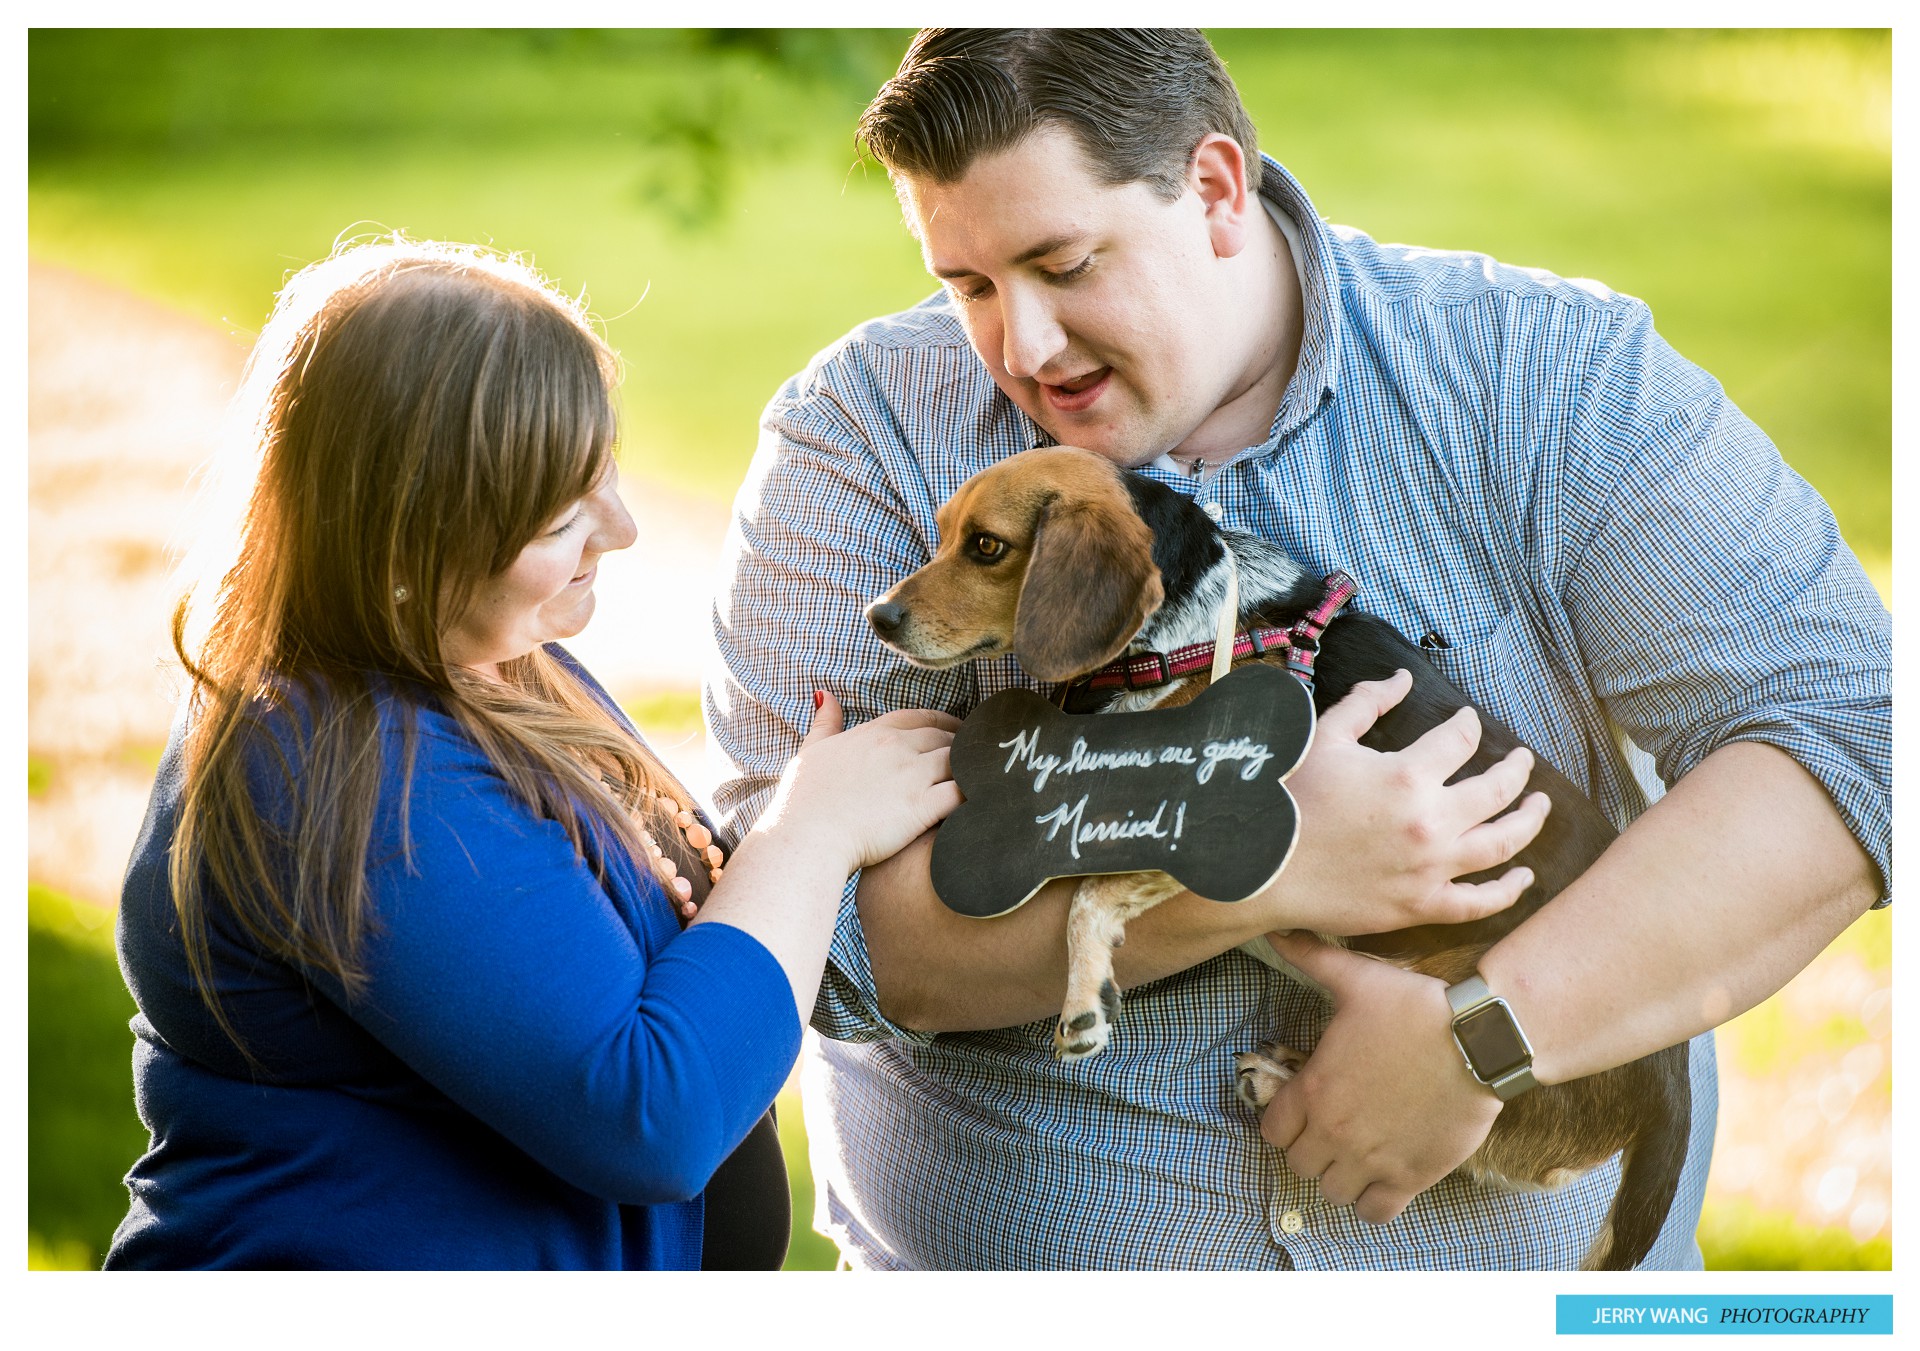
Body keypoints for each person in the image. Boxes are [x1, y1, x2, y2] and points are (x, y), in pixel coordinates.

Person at [706, 29, 1891, 1270]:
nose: (1028, 347)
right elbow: (809, 942)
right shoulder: (860, 438)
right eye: (970, 285)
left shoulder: (1546, 377)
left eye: (1064, 263)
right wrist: (1263, 869)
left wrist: (1493, 1028)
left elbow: (1853, 737)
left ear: (1215, 187)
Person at [107, 238, 961, 1270]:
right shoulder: (349, 770)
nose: (624, 527)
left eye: (605, 471)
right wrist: (812, 832)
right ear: (407, 539)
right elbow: (648, 1112)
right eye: (562, 514)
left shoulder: (492, 660)